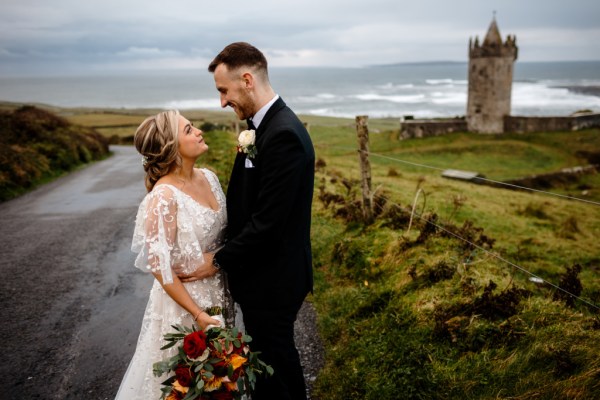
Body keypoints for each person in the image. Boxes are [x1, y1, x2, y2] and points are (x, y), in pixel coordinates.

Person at [177, 42, 315, 400]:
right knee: (266, 368)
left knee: (277, 369)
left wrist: (218, 260)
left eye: (224, 90)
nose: (222, 102)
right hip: (263, 276)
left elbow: (268, 224)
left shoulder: (283, 135)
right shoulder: (261, 127)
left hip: (274, 278)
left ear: (248, 79)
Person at [115, 110, 236, 399]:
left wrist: (218, 259)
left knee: (219, 382)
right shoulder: (163, 197)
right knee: (185, 386)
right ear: (171, 146)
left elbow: (226, 235)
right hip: (184, 307)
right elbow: (160, 267)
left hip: (219, 293)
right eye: (188, 130)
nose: (198, 132)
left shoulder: (210, 177)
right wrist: (198, 314)